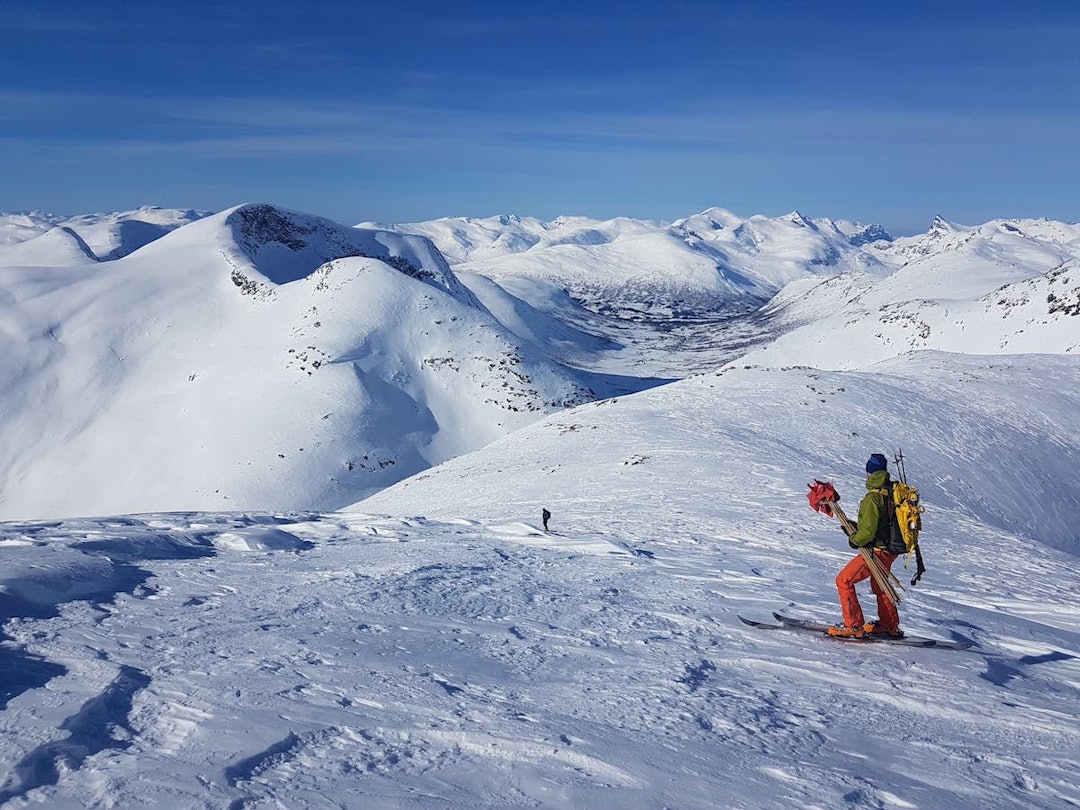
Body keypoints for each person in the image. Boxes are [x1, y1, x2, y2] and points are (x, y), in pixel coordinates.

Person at [828, 453, 905, 639]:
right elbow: (879, 525)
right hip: (890, 549)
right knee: (881, 585)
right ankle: (889, 625)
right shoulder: (890, 493)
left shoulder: (873, 498)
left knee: (844, 581)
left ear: (869, 473)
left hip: (876, 551)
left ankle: (853, 626)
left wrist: (854, 539)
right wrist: (856, 528)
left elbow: (868, 533)